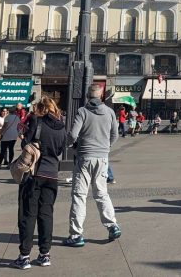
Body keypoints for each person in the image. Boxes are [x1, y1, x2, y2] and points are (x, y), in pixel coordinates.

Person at [10, 97, 67, 270]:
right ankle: (44, 254)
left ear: (40, 109)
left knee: (28, 214)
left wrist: (23, 136)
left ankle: (24, 256)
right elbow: (59, 150)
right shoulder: (62, 126)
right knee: (46, 214)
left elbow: (26, 144)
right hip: (52, 174)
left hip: (35, 174)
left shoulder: (36, 121)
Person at [64, 84, 121, 247]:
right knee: (101, 193)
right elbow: (115, 134)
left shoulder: (82, 111)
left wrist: (71, 146)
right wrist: (106, 147)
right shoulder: (110, 112)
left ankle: (76, 235)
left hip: (84, 157)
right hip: (102, 158)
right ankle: (112, 226)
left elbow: (73, 134)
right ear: (101, 96)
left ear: (88, 96)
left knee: (79, 195)